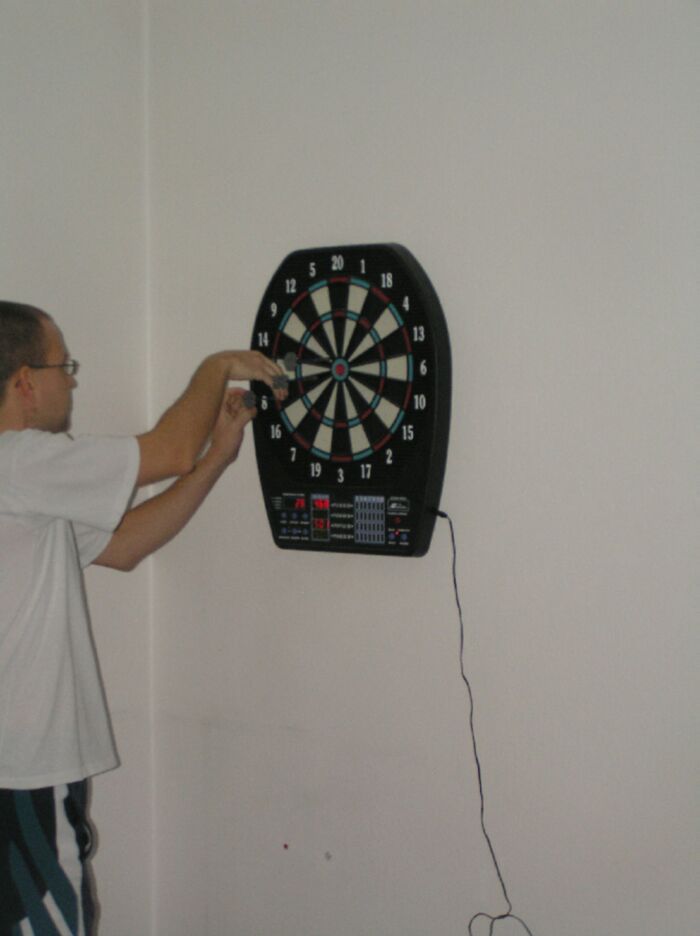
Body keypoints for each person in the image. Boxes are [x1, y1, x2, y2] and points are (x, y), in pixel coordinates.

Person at [0, 300, 285, 935]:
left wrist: (216, 458)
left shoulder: (26, 491)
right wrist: (217, 365)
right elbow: (171, 449)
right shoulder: (19, 461)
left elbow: (124, 545)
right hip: (22, 776)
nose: (71, 381)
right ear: (24, 381)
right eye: (63, 366)